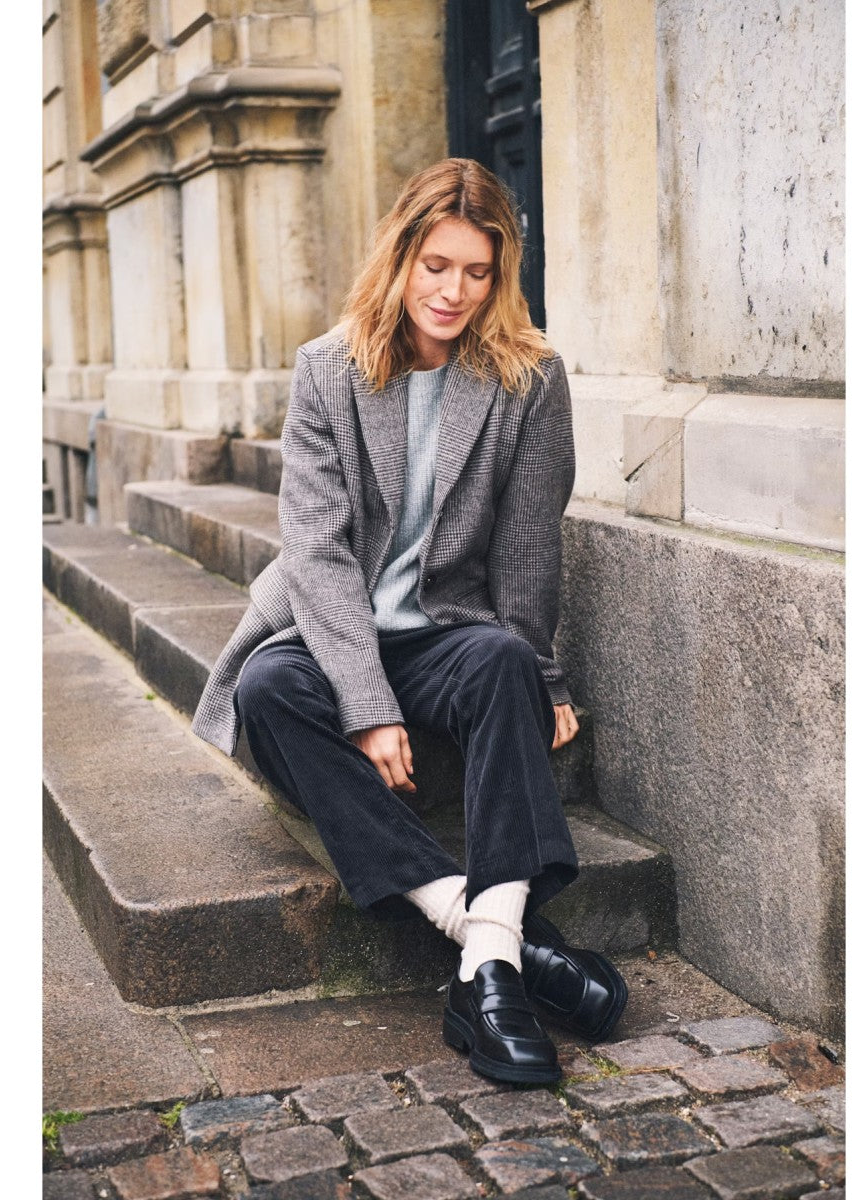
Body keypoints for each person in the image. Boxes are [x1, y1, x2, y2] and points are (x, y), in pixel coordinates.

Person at [192, 158, 626, 1084]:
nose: (453, 291)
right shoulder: (329, 370)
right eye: (436, 265)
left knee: (505, 661)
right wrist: (365, 701)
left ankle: (487, 969)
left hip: (447, 630)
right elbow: (315, 549)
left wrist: (542, 677)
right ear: (401, 257)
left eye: (476, 271)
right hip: (336, 627)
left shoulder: (529, 378)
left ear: (499, 273)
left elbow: (526, 547)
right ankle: (487, 939)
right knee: (269, 687)